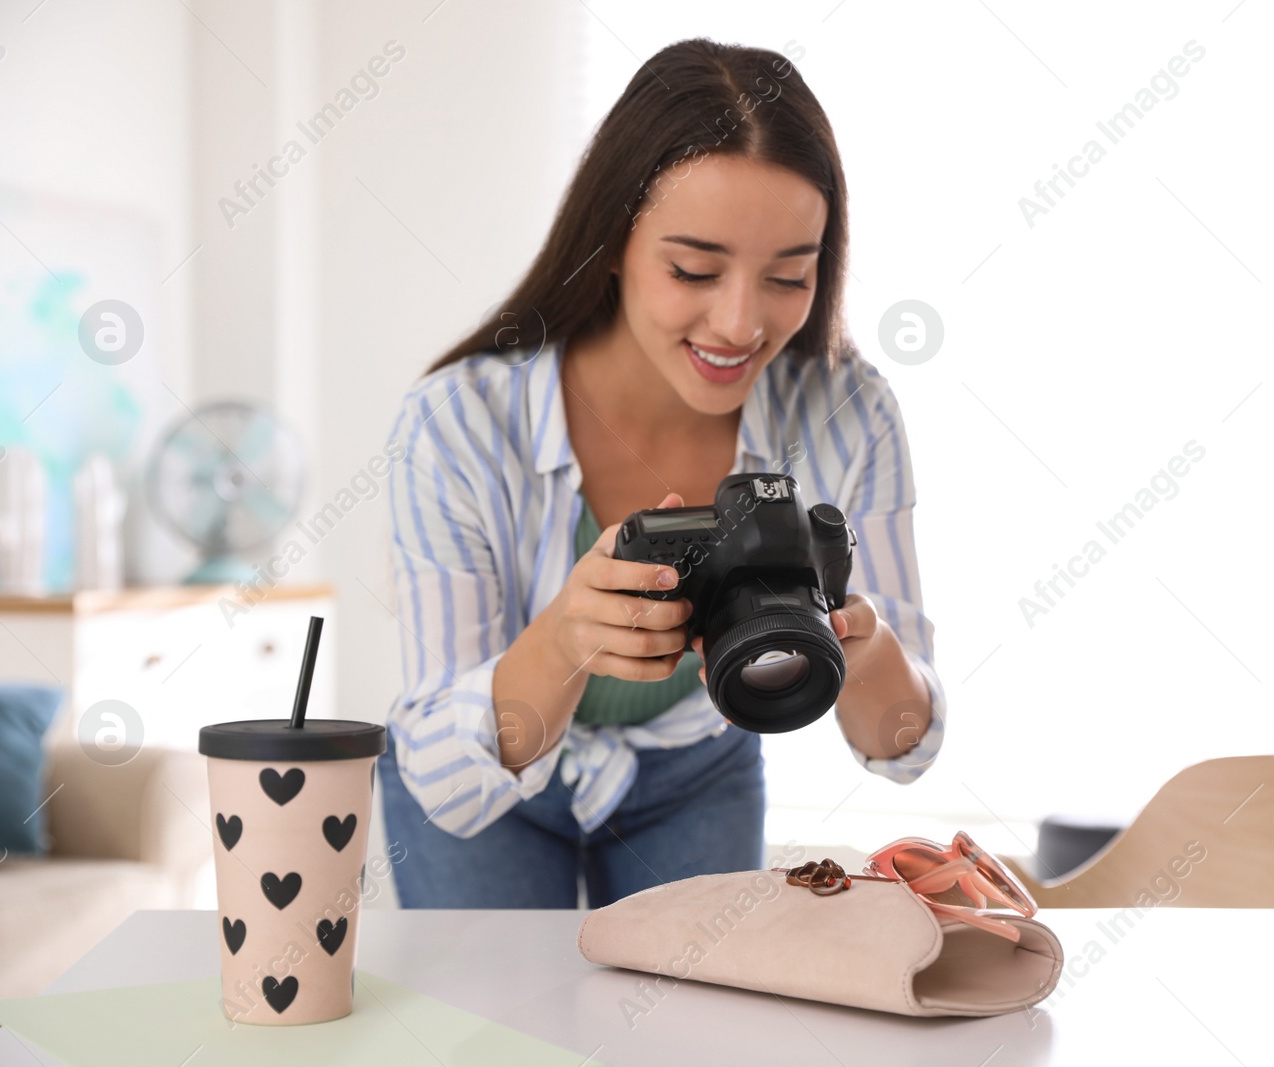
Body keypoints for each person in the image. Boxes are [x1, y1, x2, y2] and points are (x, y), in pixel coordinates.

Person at [377, 37, 948, 909]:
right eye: (693, 270)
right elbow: (443, 780)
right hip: (489, 773)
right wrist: (566, 638)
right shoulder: (455, 422)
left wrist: (861, 647)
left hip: (698, 766)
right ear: (610, 242)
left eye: (790, 277)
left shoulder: (849, 409)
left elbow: (907, 742)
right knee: (489, 1039)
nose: (740, 323)